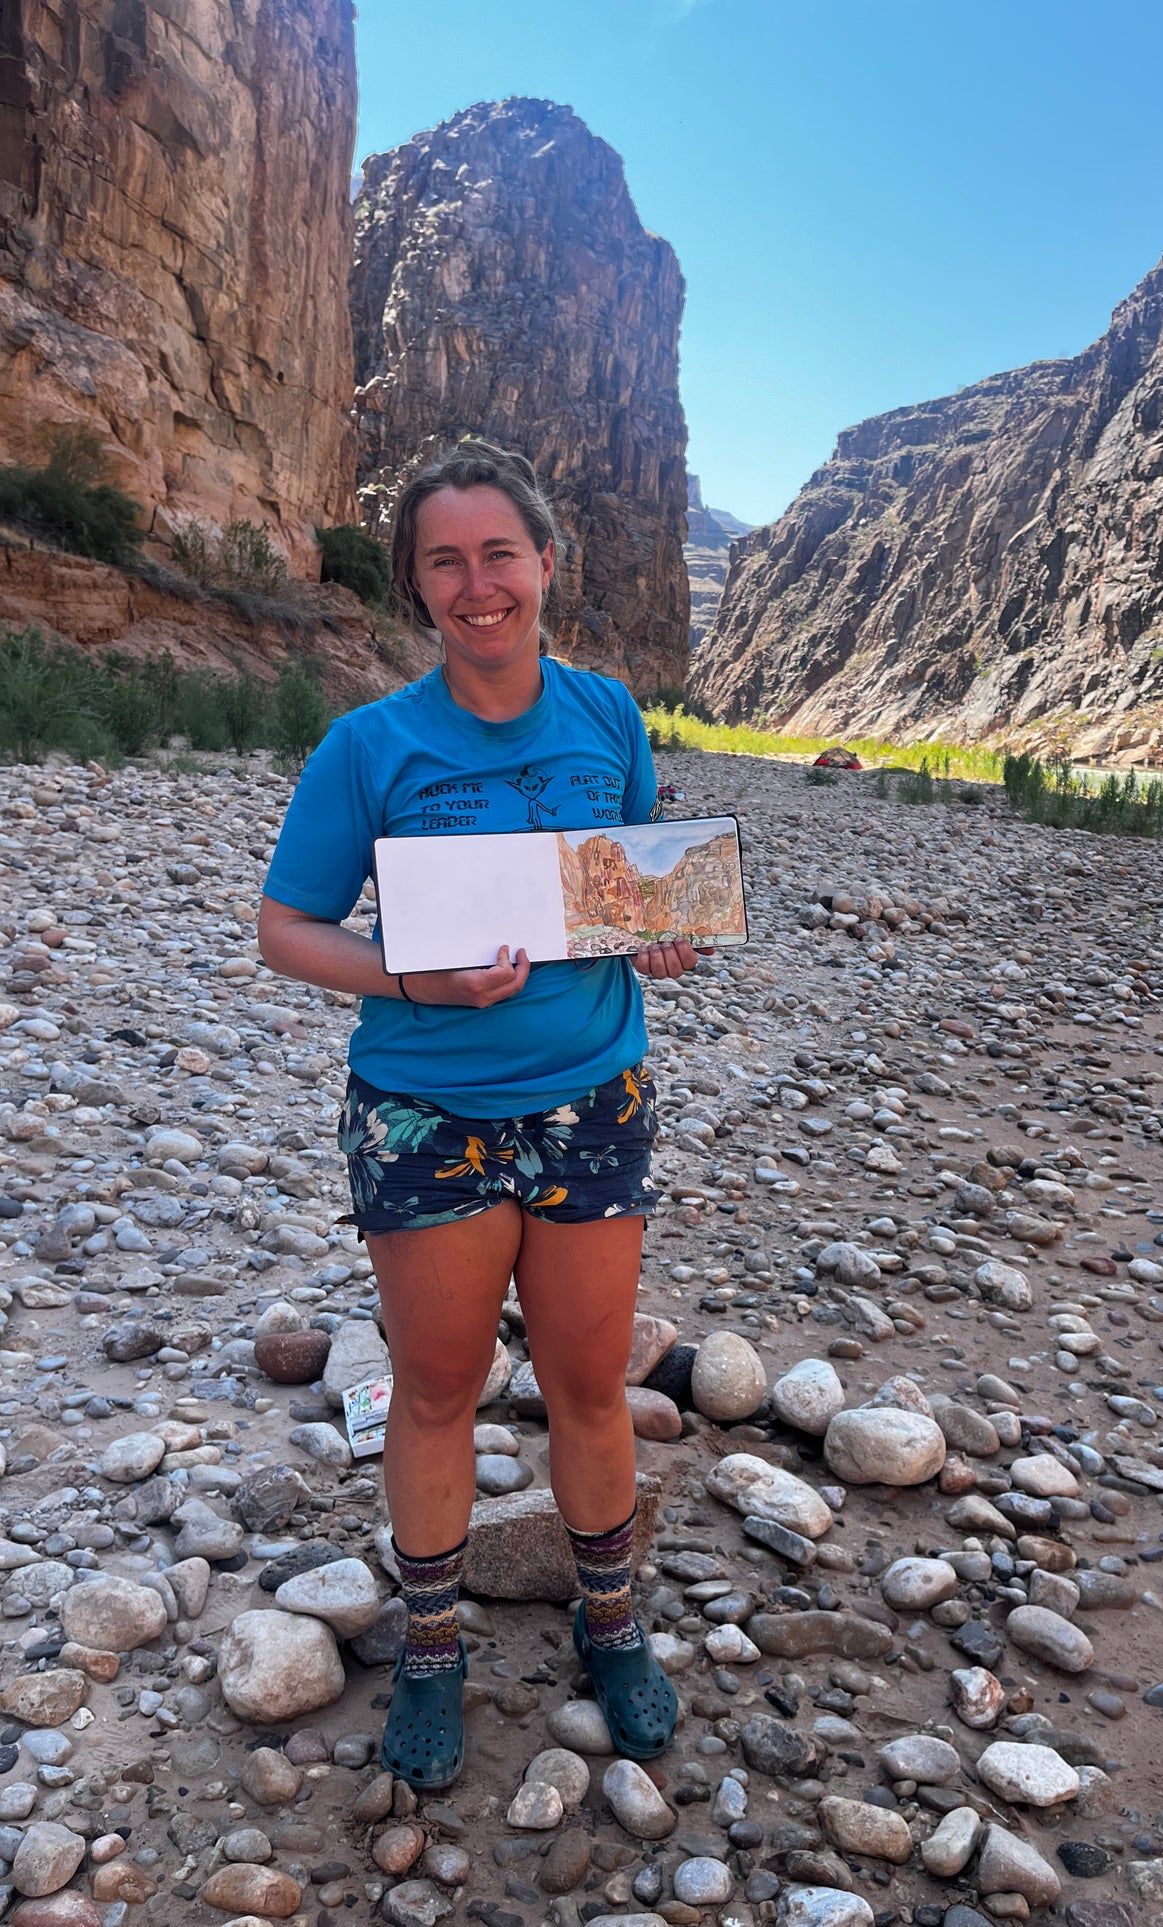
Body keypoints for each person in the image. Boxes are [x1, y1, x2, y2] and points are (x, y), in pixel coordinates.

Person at [257, 441, 700, 1788]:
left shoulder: (608, 715)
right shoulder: (369, 745)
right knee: (440, 1388)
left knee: (586, 1387)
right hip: (423, 1112)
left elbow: (623, 886)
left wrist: (659, 936)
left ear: (546, 563)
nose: (476, 583)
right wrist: (413, 976)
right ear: (418, 587)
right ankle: (435, 1648)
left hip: (590, 1098)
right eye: (443, 560)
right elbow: (285, 930)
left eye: (498, 553)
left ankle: (612, 1627)